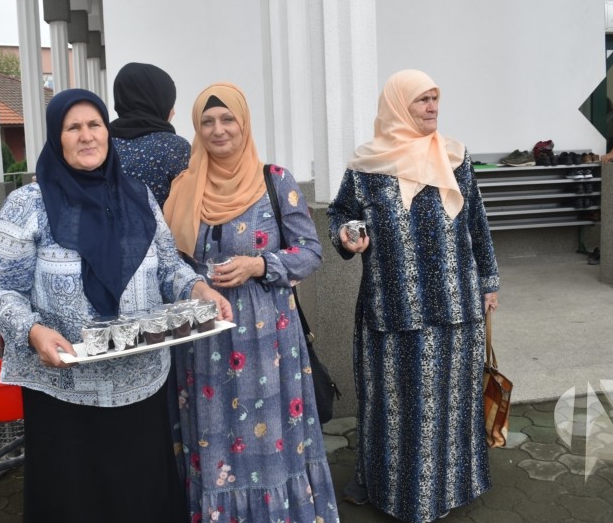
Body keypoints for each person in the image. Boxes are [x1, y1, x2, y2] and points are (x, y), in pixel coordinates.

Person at [0, 88, 232, 522]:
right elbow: (0, 290)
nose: (86, 136)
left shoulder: (137, 196)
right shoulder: (28, 205)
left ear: (107, 132)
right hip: (64, 391)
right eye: (73, 127)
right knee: (75, 500)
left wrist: (198, 289)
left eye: (94, 125)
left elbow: (168, 267)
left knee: (138, 496)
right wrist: (32, 331)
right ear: (56, 137)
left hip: (140, 383)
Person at [327, 70, 500, 523]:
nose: (432, 107)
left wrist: (489, 282)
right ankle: (388, 488)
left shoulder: (455, 157)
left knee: (451, 406)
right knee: (394, 408)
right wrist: (345, 235)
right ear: (398, 106)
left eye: (435, 98)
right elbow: (340, 213)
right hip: (393, 308)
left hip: (455, 305)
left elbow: (476, 223)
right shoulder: (367, 166)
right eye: (422, 100)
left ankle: (449, 489)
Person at [163, 82, 339, 522]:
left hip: (267, 341)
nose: (218, 129)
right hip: (203, 338)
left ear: (244, 124)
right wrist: (196, 284)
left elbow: (310, 252)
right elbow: (167, 263)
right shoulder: (183, 187)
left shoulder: (274, 181)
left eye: (228, 119)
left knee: (269, 435)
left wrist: (259, 265)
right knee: (214, 433)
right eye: (207, 121)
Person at [109, 62, 191, 208]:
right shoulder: (175, 148)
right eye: (170, 102)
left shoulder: (100, 143)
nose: (173, 111)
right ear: (157, 102)